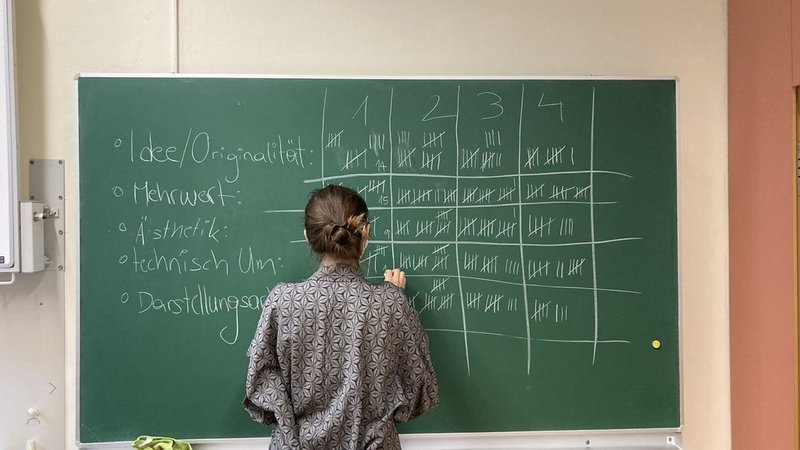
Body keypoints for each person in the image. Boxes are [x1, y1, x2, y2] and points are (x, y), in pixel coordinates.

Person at [243, 184, 439, 449]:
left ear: (307, 236)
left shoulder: (282, 302)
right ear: (366, 232)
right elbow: (420, 392)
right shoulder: (391, 304)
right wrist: (396, 300)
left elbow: (260, 390)